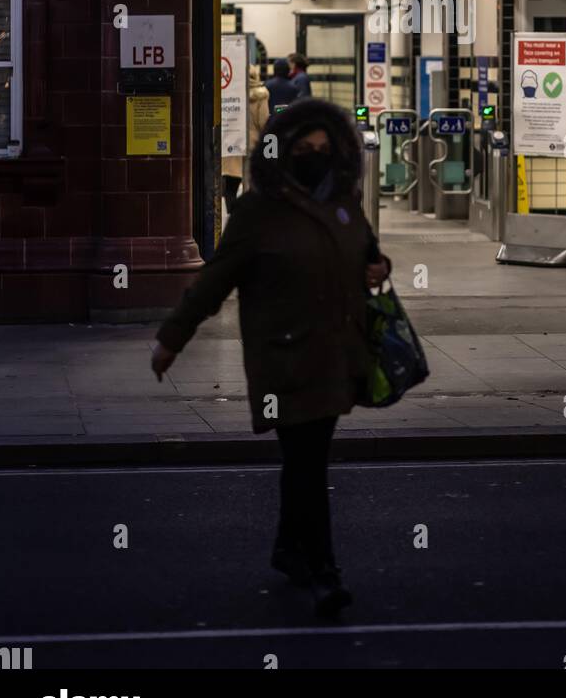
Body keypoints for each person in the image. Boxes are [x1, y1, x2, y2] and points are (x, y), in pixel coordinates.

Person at [151, 98, 391, 618]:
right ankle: (325, 574)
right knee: (307, 461)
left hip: (335, 352)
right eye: (302, 148)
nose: (312, 156)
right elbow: (215, 279)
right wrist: (173, 337)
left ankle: (288, 549)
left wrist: (377, 267)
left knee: (305, 460)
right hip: (283, 359)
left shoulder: (342, 200)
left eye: (323, 149)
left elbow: (368, 253)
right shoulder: (258, 211)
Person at [222, 64, 270, 214]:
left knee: (231, 180)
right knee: (249, 181)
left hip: (232, 138)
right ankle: (247, 213)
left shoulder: (230, 94)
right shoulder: (261, 95)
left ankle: (232, 211)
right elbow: (263, 121)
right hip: (252, 143)